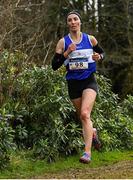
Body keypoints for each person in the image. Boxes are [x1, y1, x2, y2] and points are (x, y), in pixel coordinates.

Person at [52, 11, 104, 163]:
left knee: (85, 114)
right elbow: (54, 66)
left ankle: (87, 153)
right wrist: (67, 53)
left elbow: (102, 53)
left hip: (89, 81)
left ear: (80, 22)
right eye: (70, 20)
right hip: (73, 84)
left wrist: (98, 57)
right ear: (67, 24)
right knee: (83, 118)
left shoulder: (90, 39)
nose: (73, 22)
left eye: (75, 19)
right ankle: (92, 132)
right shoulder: (63, 42)